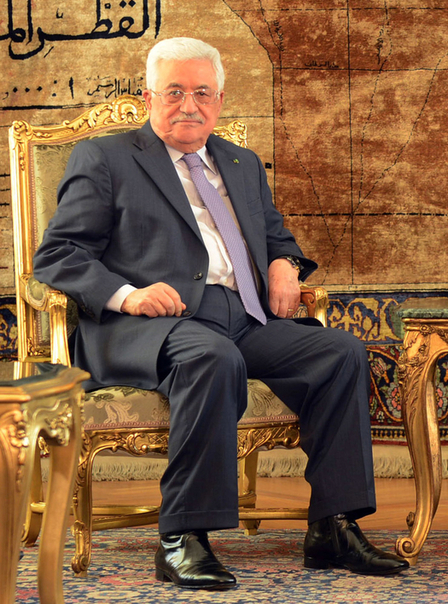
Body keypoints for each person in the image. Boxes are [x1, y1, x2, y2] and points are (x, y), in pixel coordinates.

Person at [33, 37, 409, 590]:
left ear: (220, 100)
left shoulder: (241, 162)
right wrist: (128, 294)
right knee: (213, 358)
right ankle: (182, 537)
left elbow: (276, 235)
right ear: (148, 97)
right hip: (148, 324)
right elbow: (58, 254)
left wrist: (284, 265)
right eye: (175, 92)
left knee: (341, 352)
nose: (189, 105)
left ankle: (333, 526)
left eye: (202, 93)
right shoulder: (106, 158)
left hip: (245, 316)